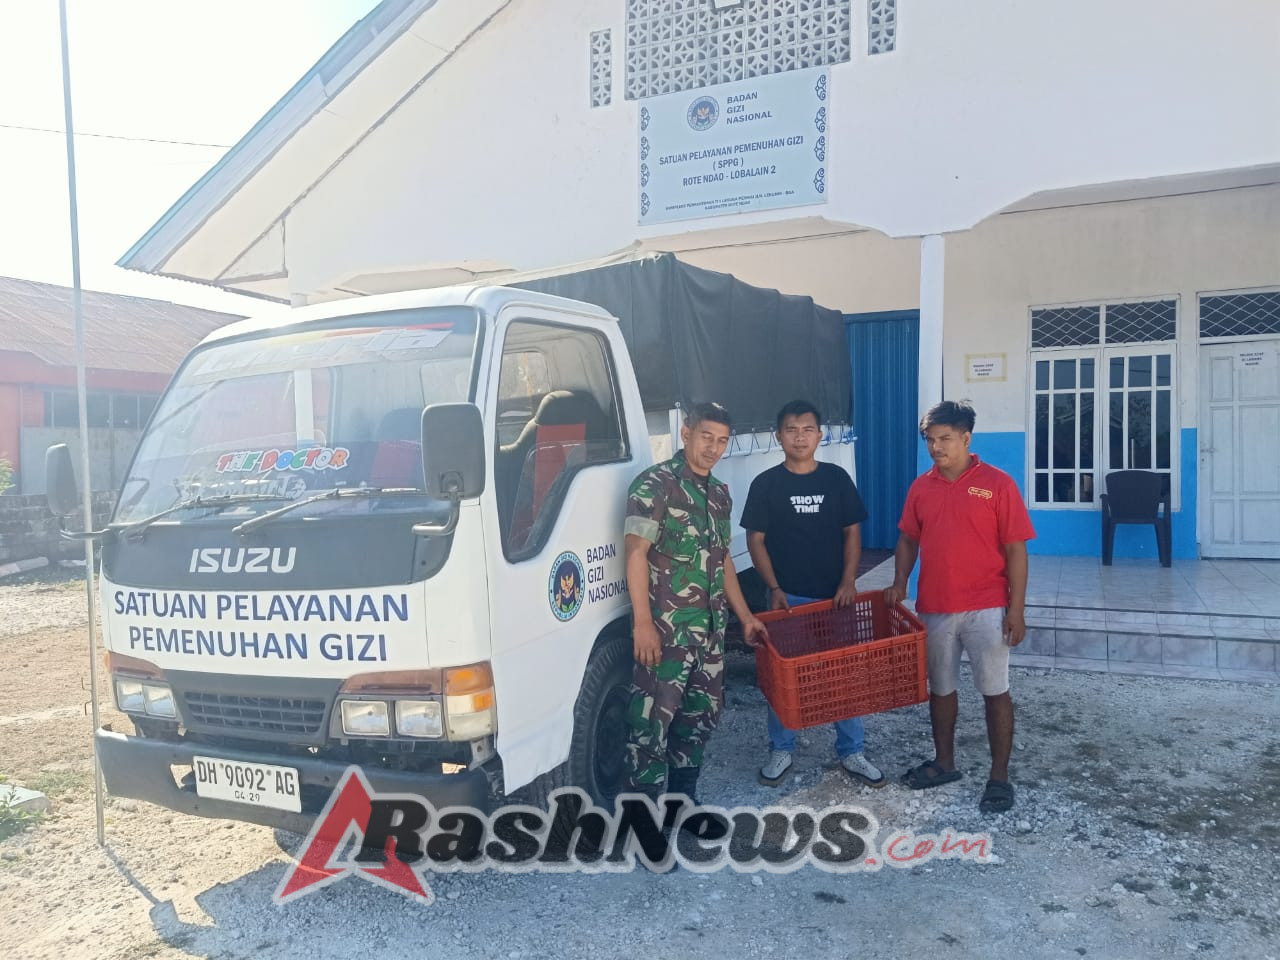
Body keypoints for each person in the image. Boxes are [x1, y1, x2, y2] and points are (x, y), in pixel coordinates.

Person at [885, 400, 1035, 814]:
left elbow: (1016, 550)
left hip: (988, 607)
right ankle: (944, 762)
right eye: (930, 440)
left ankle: (999, 777)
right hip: (935, 606)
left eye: (945, 439)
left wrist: (1016, 610)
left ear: (966, 438)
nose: (936, 447)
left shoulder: (998, 484)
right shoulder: (921, 487)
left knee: (995, 691)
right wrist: (899, 581)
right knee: (941, 689)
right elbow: (907, 540)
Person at [623, 402, 769, 805]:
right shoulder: (655, 486)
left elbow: (721, 560)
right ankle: (643, 822)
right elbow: (635, 553)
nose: (714, 448)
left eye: (722, 441)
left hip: (709, 634)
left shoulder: (719, 494)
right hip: (665, 633)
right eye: (707, 437)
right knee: (650, 725)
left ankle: (682, 806)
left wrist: (745, 617)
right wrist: (642, 624)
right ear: (686, 433)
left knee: (698, 721)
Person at [741, 400, 885, 788]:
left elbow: (852, 532)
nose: (799, 436)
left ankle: (852, 749)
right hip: (789, 600)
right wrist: (774, 588)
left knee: (843, 676)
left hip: (834, 598)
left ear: (820, 435)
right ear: (779, 436)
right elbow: (756, 539)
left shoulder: (836, 479)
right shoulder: (766, 484)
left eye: (807, 429)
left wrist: (848, 581)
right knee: (782, 679)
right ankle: (782, 747)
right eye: (791, 429)